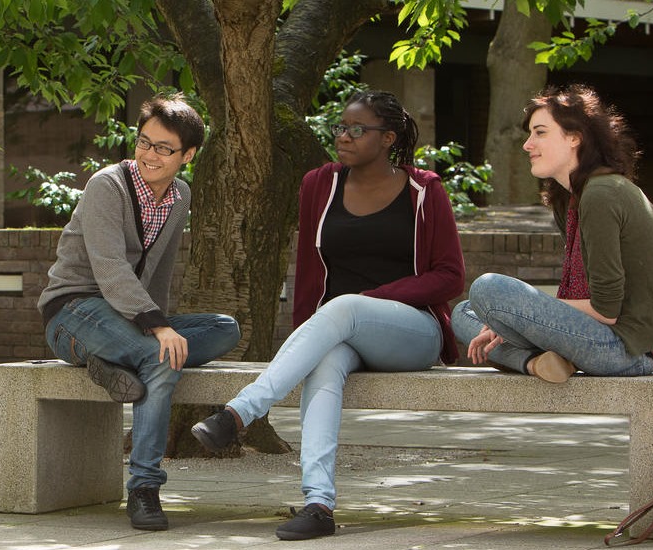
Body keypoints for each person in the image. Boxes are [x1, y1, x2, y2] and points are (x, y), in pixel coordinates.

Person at [186, 91, 464, 540]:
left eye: (358, 129)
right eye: (340, 128)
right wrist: (308, 339)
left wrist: (375, 298)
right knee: (325, 366)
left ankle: (239, 412)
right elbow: (308, 270)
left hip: (411, 330)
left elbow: (451, 276)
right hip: (340, 333)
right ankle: (319, 504)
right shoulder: (320, 184)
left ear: (388, 138)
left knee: (347, 305)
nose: (344, 137)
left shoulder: (424, 189)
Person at [37, 94, 241, 532]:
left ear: (187, 155)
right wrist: (158, 330)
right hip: (73, 311)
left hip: (129, 319)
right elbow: (110, 270)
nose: (150, 154)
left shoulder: (179, 195)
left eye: (164, 148)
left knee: (225, 329)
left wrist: (159, 323)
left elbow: (160, 271)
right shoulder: (106, 186)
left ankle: (112, 360)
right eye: (144, 142)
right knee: (159, 358)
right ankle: (145, 487)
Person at [450, 84, 653, 383]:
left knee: (488, 290)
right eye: (530, 133)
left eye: (540, 132)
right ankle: (537, 364)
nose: (527, 144)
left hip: (627, 349)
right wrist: (509, 317)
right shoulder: (571, 198)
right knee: (465, 312)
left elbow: (605, 309)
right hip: (598, 337)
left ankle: (528, 359)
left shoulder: (603, 194)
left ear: (575, 137)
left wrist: (512, 315)